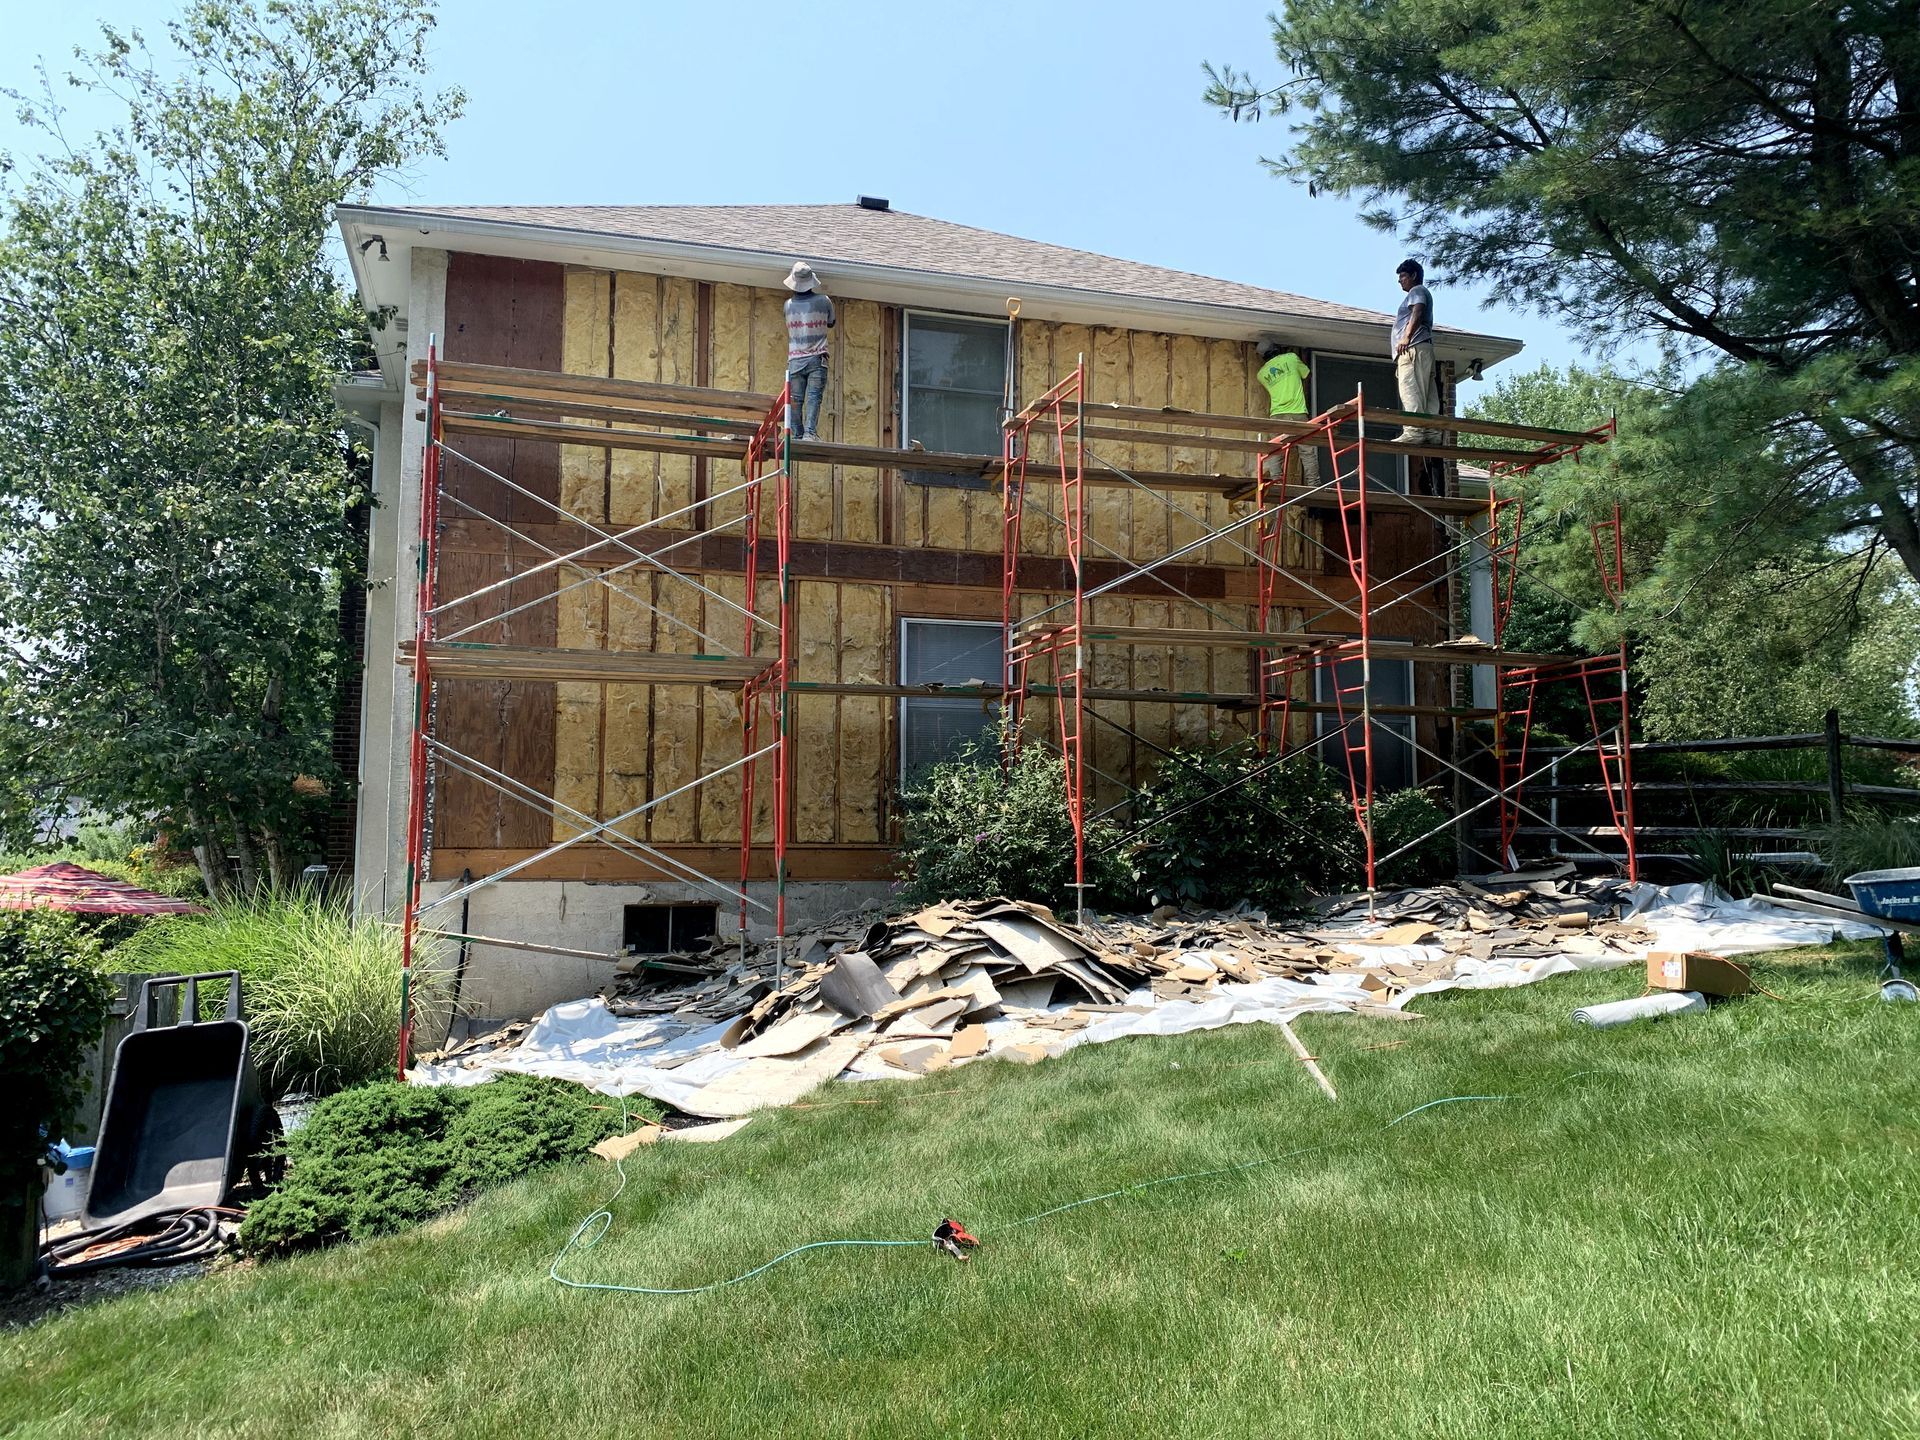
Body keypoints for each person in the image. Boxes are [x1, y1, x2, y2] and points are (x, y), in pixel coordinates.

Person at [1253, 340, 1319, 486]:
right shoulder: (1291, 358)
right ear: (1276, 349)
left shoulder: (1262, 374)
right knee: (1306, 451)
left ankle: (1276, 481)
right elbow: (1307, 374)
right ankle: (1314, 484)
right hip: (1297, 412)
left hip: (1277, 415)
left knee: (1276, 451)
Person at [782, 261, 835, 440]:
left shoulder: (787, 305)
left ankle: (796, 434)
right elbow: (831, 322)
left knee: (795, 399)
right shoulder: (824, 301)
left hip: (795, 358)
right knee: (813, 397)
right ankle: (809, 433)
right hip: (817, 358)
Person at [1390, 259, 1438, 443]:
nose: (1400, 280)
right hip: (1424, 348)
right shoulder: (1423, 292)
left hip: (1413, 349)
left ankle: (1414, 432)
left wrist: (1405, 337)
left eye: (1403, 276)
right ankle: (1433, 433)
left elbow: (1417, 311)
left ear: (1414, 276)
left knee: (1410, 389)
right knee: (1427, 393)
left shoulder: (1416, 291)